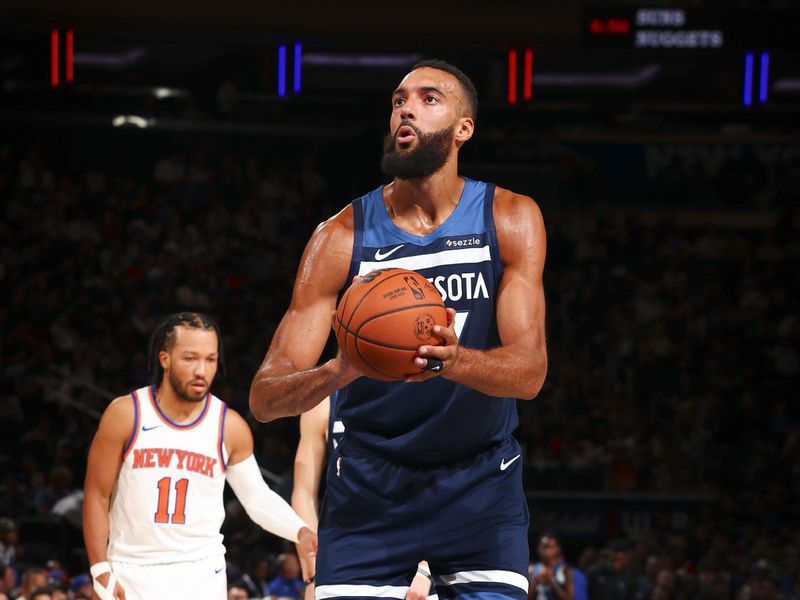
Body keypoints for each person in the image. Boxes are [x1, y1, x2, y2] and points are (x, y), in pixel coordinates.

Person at [250, 58, 547, 598]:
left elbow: (529, 374)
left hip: (480, 481)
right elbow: (266, 398)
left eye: (428, 98)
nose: (405, 108)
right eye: (398, 100)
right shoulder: (341, 235)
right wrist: (341, 368)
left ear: (464, 129)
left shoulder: (509, 217)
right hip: (368, 485)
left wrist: (454, 360)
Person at [83, 312, 317, 600]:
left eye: (210, 359)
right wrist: (99, 569)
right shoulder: (126, 414)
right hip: (131, 569)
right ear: (164, 358)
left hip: (201, 575)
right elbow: (96, 495)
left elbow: (257, 498)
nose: (201, 370)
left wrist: (300, 531)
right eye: (190, 358)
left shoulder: (229, 426)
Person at [291, 394, 435, 599]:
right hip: (346, 555)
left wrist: (425, 567)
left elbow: (443, 483)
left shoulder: (422, 391)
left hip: (414, 555)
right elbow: (304, 492)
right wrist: (312, 569)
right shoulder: (324, 403)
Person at [528, 534, 575, 600]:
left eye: (550, 547)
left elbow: (569, 598)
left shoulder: (564, 569)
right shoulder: (531, 569)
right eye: (543, 547)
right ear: (538, 548)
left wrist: (551, 581)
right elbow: (525, 597)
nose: (546, 551)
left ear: (558, 549)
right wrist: (536, 581)